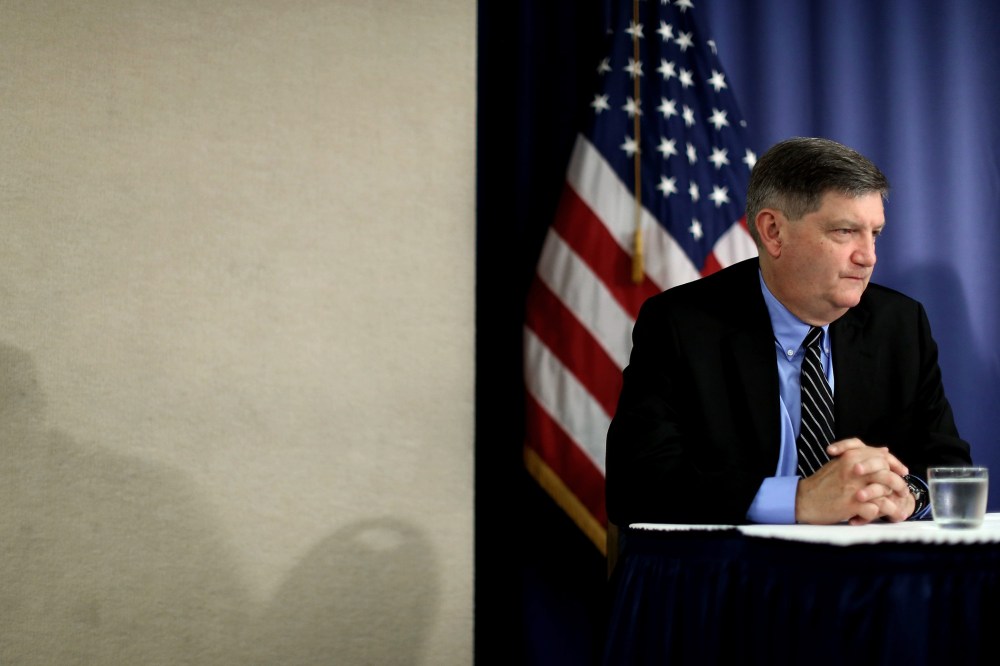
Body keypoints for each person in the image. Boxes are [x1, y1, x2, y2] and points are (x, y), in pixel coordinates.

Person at [605, 136, 972, 527]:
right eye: (845, 232)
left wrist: (908, 495)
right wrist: (797, 501)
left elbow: (947, 465)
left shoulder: (899, 324)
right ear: (774, 232)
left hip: (866, 577)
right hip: (735, 576)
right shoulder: (680, 324)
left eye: (875, 233)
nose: (868, 257)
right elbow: (638, 484)